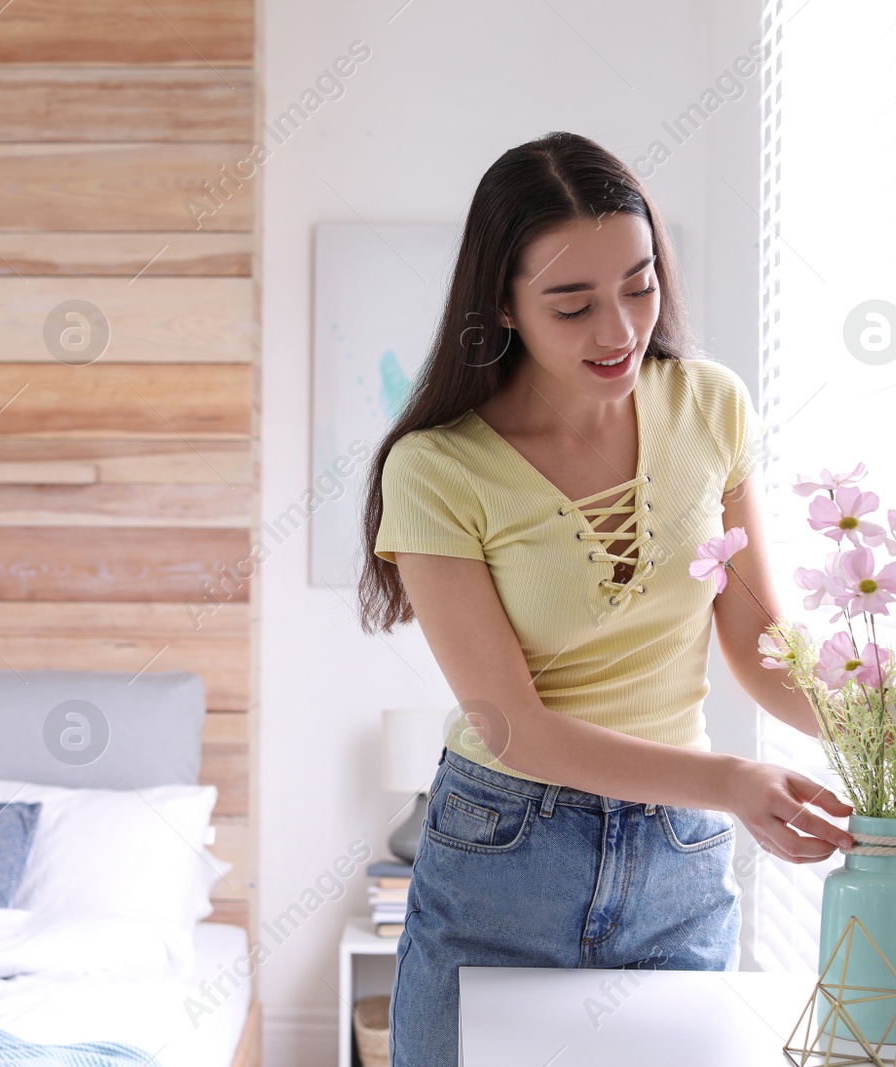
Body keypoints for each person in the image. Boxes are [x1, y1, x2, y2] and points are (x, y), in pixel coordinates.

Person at [355, 132, 854, 1067]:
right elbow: (515, 727)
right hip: (506, 852)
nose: (619, 330)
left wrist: (871, 715)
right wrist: (734, 784)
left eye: (640, 283)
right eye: (573, 304)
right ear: (501, 304)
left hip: (681, 856)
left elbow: (758, 642)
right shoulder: (437, 468)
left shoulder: (711, 407)